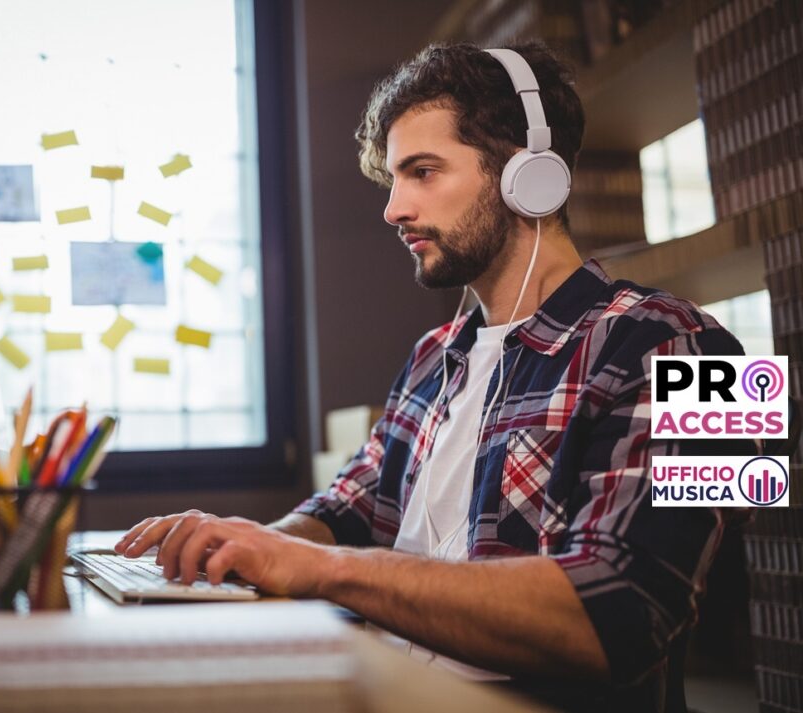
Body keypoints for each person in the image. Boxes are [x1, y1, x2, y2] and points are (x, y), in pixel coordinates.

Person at [114, 41, 753, 712]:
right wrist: (239, 545)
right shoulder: (433, 353)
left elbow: (627, 613)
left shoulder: (700, 351)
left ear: (528, 174)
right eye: (394, 180)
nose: (393, 209)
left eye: (423, 171)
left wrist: (320, 568)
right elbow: (346, 511)